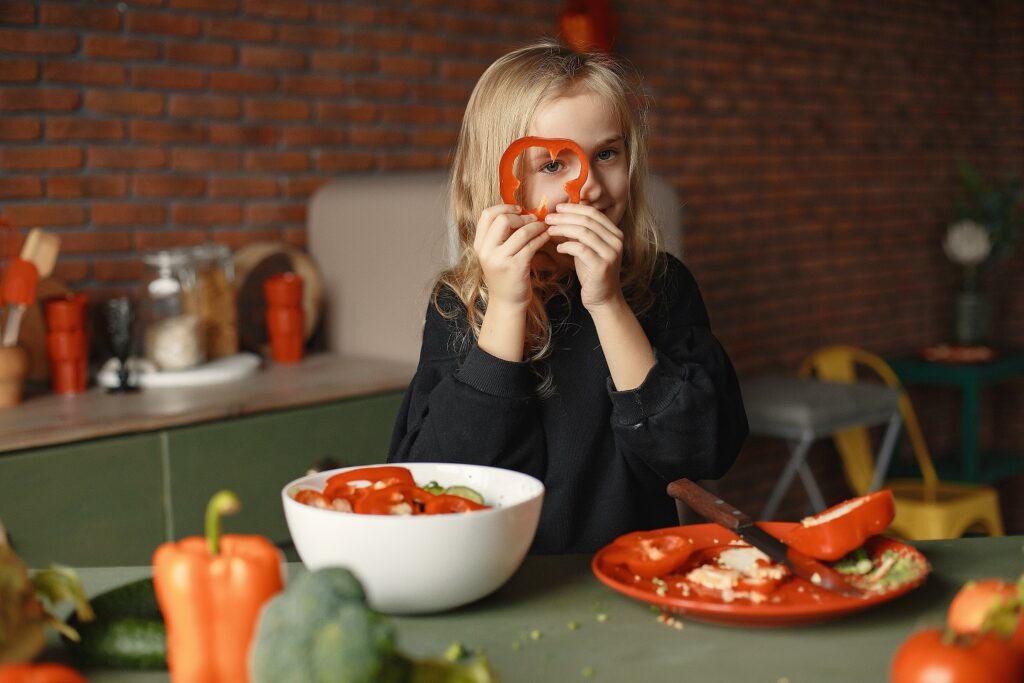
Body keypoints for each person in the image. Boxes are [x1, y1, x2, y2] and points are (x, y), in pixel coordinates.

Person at [388, 39, 748, 554]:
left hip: (631, 575)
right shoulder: (459, 303)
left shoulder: (663, 285)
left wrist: (607, 303)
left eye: (607, 154)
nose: (591, 188)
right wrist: (508, 308)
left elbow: (702, 450)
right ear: (498, 177)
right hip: (504, 581)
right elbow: (436, 481)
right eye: (554, 165)